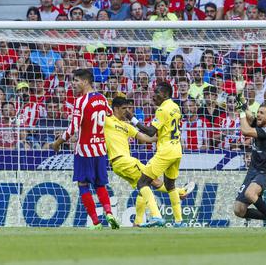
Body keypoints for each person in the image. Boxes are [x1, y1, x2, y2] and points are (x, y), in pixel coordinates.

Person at [104, 96, 193, 226]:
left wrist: (166, 136)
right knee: (150, 182)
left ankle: (138, 222)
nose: (126, 112)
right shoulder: (107, 121)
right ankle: (162, 210)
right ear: (115, 109)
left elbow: (146, 138)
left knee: (143, 187)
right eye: (123, 109)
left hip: (122, 163)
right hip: (122, 161)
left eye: (128, 108)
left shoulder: (127, 126)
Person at [50, 69, 119, 230]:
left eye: (76, 80)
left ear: (85, 81)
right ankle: (109, 212)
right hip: (100, 149)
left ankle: (95, 222)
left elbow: (73, 127)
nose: (73, 84)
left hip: (84, 150)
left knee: (83, 184)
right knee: (100, 184)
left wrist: (58, 142)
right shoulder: (102, 98)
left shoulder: (80, 101)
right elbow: (109, 115)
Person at [131, 82, 186, 227]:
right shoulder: (175, 106)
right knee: (170, 185)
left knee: (142, 182)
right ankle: (179, 221)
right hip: (177, 150)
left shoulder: (162, 110)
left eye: (157, 92)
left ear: (165, 94)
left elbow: (150, 132)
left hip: (166, 151)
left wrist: (133, 119)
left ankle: (156, 216)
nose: (154, 95)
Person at [232, 98, 266, 227]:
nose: (258, 114)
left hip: (263, 173)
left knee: (250, 193)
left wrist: (241, 113)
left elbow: (245, 131)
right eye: (258, 112)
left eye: (262, 113)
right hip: (252, 172)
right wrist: (239, 96)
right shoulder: (259, 125)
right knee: (239, 210)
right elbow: (248, 113)